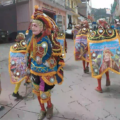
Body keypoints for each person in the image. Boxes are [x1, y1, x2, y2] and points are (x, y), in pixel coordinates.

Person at [26, 5, 64, 120]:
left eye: (35, 25)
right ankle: (42, 109)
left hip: (46, 69)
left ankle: (49, 107)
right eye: (32, 25)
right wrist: (28, 63)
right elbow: (29, 52)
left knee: (44, 90)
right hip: (34, 68)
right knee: (37, 90)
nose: (33, 27)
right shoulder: (32, 39)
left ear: (42, 28)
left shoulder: (46, 39)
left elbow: (48, 52)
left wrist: (42, 59)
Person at [86, 18, 120, 93]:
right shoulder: (111, 32)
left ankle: (99, 87)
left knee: (99, 67)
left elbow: (89, 42)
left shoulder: (94, 33)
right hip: (108, 53)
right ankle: (108, 79)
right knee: (106, 65)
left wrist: (87, 49)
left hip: (100, 54)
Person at [9, 33, 30, 99]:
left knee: (19, 78)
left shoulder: (13, 47)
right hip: (22, 67)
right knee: (25, 75)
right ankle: (15, 92)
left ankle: (15, 92)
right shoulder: (25, 46)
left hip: (15, 66)